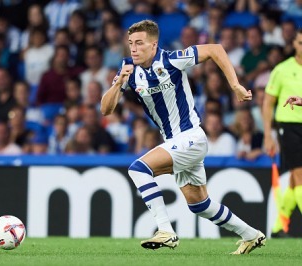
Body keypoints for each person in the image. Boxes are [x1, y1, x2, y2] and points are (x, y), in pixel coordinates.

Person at [100, 20, 265, 254]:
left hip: (191, 137)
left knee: (138, 169)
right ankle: (251, 235)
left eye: (139, 43)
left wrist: (235, 85)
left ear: (153, 44)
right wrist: (118, 82)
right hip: (175, 143)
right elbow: (105, 110)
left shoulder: (171, 59)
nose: (133, 48)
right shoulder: (128, 69)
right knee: (200, 205)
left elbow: (215, 49)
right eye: (130, 44)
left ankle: (165, 230)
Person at [263, 29, 302, 238]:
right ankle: (279, 226)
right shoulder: (282, 69)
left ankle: (278, 227)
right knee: (299, 175)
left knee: (297, 181)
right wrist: (268, 134)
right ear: (294, 44)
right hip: (289, 127)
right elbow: (268, 102)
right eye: (300, 42)